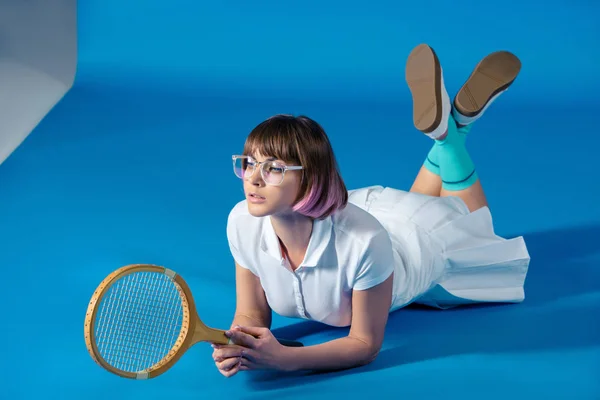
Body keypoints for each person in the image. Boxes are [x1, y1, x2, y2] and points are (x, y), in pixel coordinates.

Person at [211, 43, 530, 377]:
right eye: (248, 164)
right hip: (368, 217)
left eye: (273, 168)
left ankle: (451, 136)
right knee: (421, 205)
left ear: (310, 177)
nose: (254, 180)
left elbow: (365, 344)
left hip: (410, 251)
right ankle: (448, 133)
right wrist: (238, 342)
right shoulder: (241, 222)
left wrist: (285, 360)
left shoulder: (364, 242)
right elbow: (250, 314)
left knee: (473, 224)